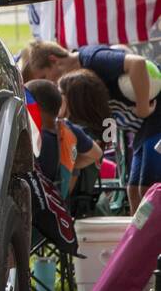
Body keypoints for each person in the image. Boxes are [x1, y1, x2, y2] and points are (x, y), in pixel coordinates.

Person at [22, 39, 160, 209]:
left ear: (53, 60)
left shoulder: (91, 58)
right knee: (133, 190)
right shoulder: (80, 76)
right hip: (145, 127)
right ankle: (137, 234)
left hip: (155, 118)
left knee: (147, 188)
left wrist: (143, 106)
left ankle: (152, 233)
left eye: (44, 77)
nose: (49, 83)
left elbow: (137, 63)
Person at [26, 78, 101, 197]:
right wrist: (68, 163)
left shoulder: (31, 139)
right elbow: (96, 154)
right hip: (58, 206)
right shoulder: (68, 130)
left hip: (33, 207)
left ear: (34, 107)